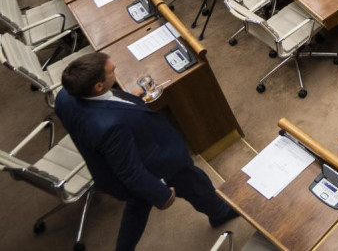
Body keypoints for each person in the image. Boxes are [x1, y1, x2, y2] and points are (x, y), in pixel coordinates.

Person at [54, 53, 236, 250]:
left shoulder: (64, 96)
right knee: (195, 182)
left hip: (108, 169)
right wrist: (161, 194)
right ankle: (219, 213)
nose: (115, 68)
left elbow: (99, 111)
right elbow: (130, 172)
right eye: (111, 71)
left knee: (137, 207)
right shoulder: (111, 126)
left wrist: (127, 101)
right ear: (98, 87)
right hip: (158, 164)